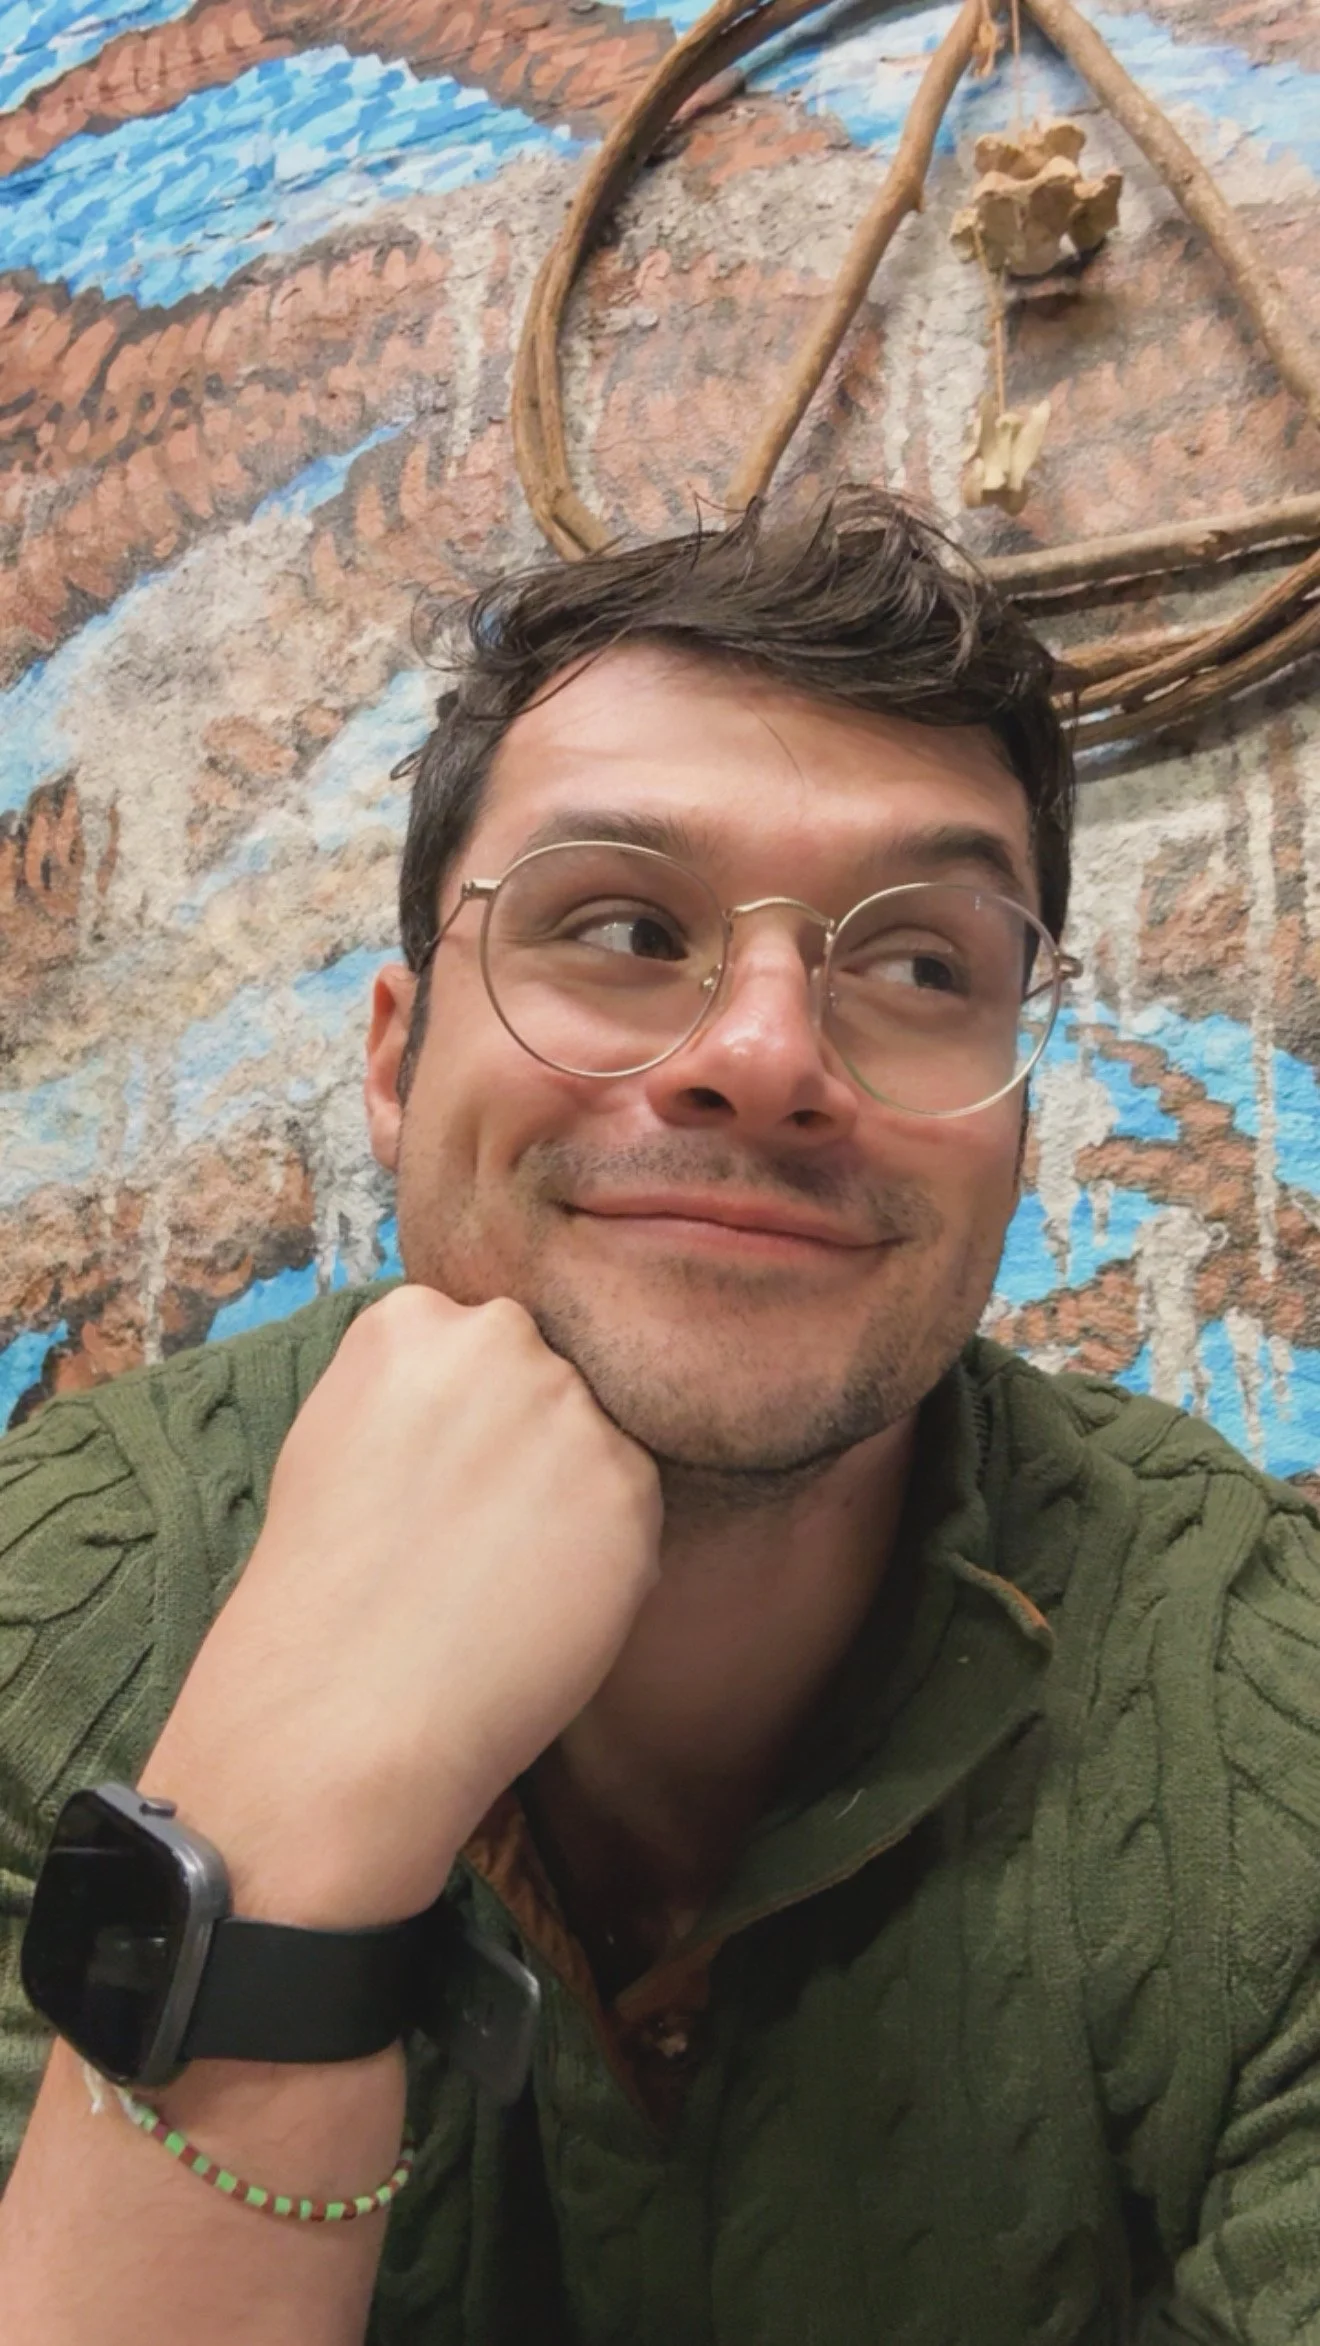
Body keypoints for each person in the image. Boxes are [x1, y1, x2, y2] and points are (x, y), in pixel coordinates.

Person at [1, 490, 1318, 2346]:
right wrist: (275, 1826)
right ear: (395, 1059)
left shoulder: (1273, 1694)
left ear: (1021, 1124)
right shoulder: (43, 1607)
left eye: (922, 965)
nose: (768, 1055)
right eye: (621, 924)